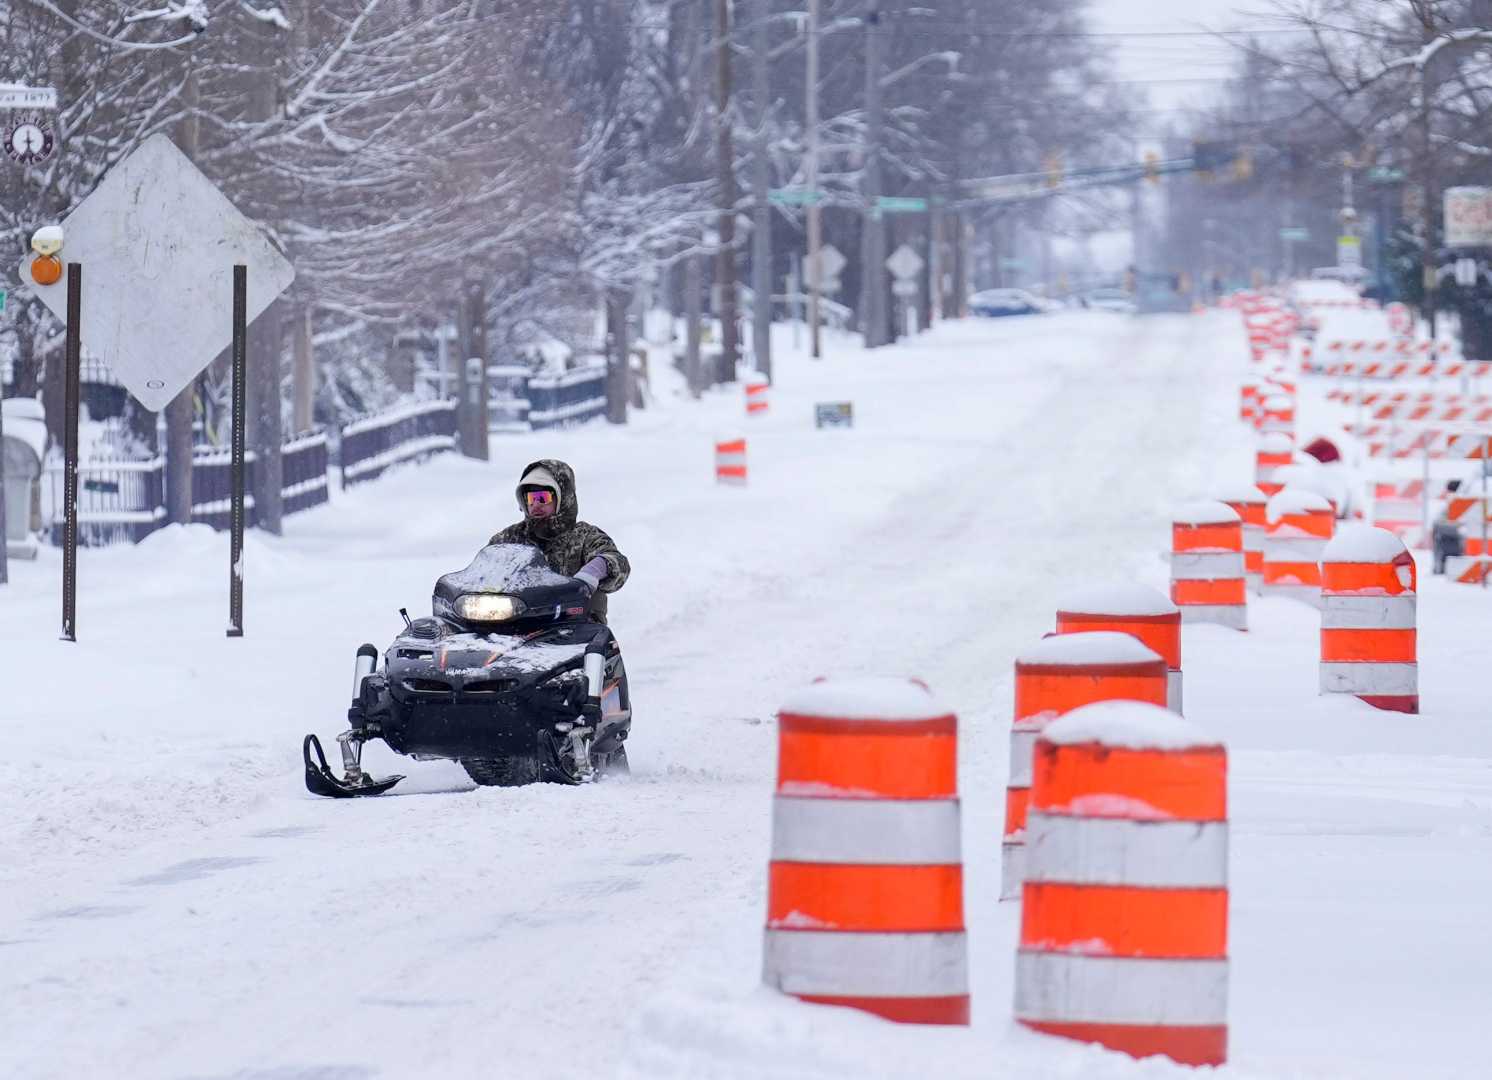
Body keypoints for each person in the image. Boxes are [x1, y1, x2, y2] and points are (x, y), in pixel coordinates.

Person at [488, 459, 630, 621]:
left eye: (543, 498)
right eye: (530, 498)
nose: (535, 504)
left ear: (562, 499)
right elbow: (482, 570)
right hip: (516, 625)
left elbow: (617, 563)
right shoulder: (510, 538)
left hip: (576, 627)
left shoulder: (584, 535)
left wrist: (595, 570)